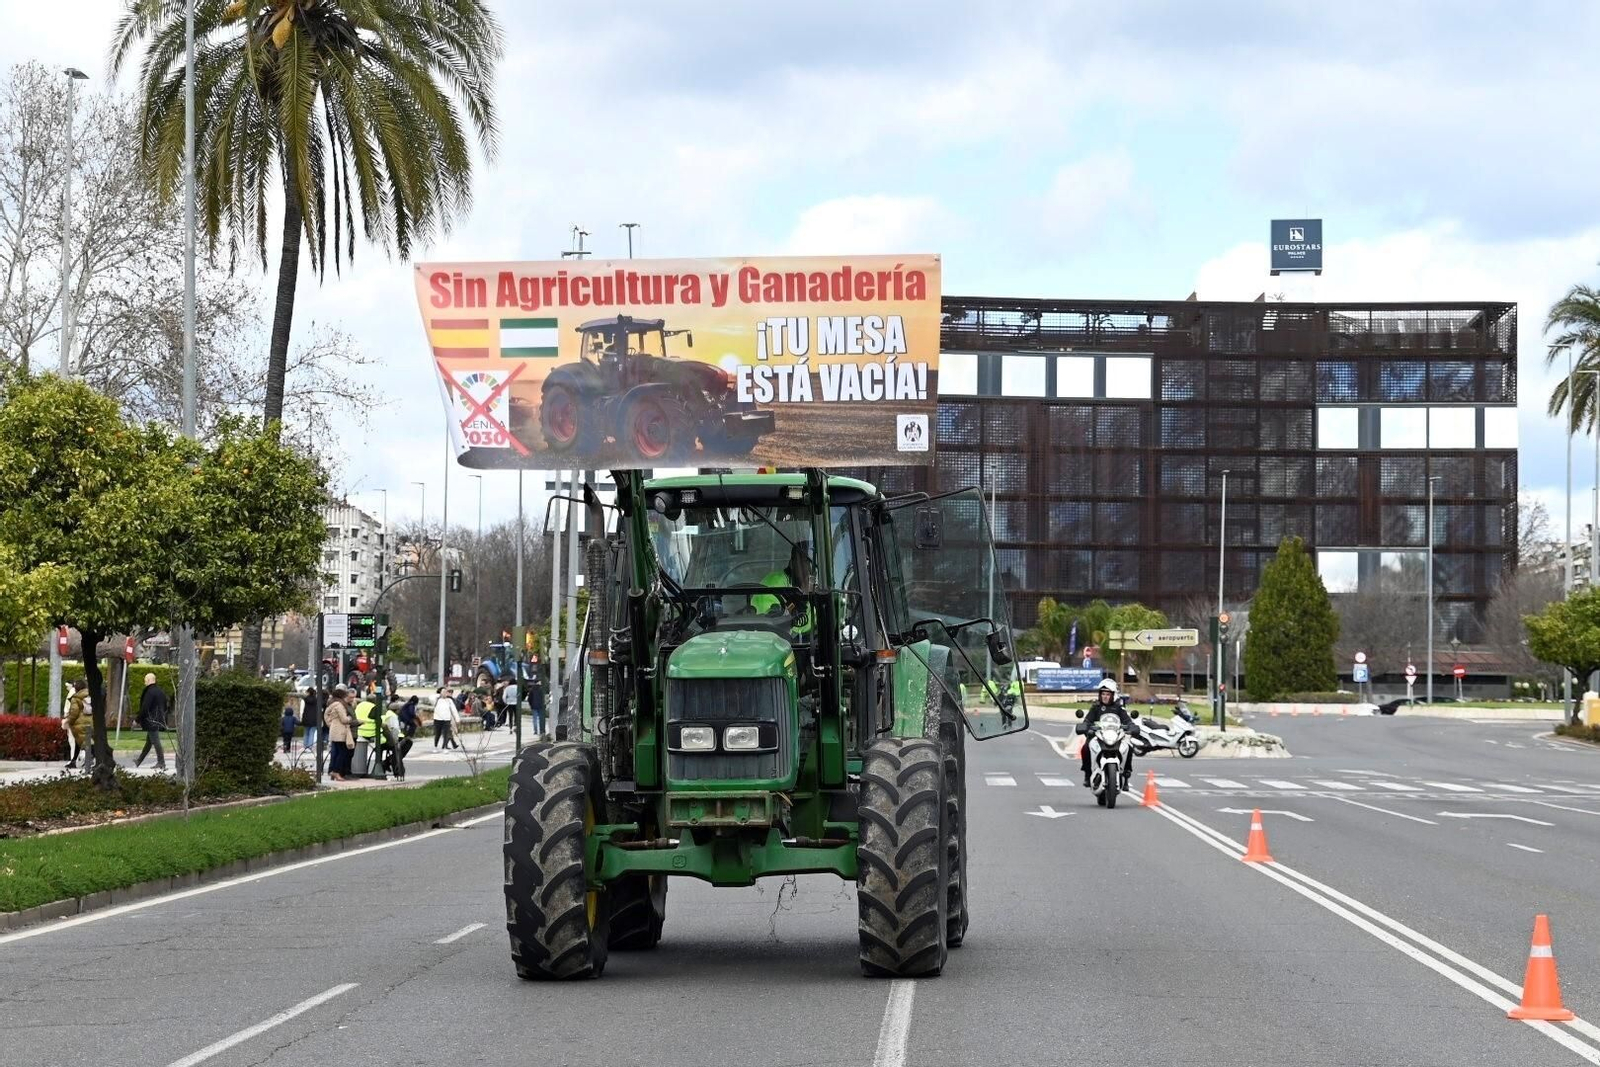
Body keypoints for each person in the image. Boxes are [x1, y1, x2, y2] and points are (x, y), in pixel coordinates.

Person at [1078, 677, 1139, 788]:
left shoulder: (1119, 708)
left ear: (1113, 695)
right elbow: (1087, 721)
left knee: (1129, 747)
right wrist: (1085, 727)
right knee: (1085, 748)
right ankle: (1087, 774)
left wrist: (1132, 727)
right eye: (1103, 694)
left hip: (1116, 737)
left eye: (1107, 694)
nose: (1105, 696)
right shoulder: (1096, 707)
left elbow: (1127, 721)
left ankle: (1126, 774)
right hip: (1098, 737)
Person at [750, 540, 816, 636]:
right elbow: (770, 624)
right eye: (806, 561)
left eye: (813, 563)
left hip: (810, 640)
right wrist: (800, 602)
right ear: (792, 564)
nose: (810, 568)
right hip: (774, 640)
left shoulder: (815, 586)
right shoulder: (774, 583)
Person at [133, 672, 169, 771]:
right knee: (149, 742)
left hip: (151, 720)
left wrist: (137, 719)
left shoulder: (149, 692)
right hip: (159, 719)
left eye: (145, 681)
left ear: (149, 680)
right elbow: (166, 706)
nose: (145, 683)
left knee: (155, 741)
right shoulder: (160, 691)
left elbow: (145, 707)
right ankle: (139, 760)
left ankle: (161, 762)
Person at [324, 686, 356, 781]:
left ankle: (333, 771)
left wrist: (330, 724)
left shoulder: (332, 704)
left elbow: (326, 715)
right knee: (342, 753)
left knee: (336, 752)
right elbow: (344, 719)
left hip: (335, 731)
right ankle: (336, 772)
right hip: (340, 732)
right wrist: (350, 718)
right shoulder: (339, 705)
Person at [64, 681, 90, 770]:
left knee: (78, 742)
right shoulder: (90, 695)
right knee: (88, 741)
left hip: (80, 723)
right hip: (90, 722)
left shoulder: (76, 698)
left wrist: (68, 721)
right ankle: (86, 761)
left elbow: (74, 712)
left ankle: (76, 760)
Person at [300, 686, 323, 753]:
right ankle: (309, 747)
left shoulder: (305, 700)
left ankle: (305, 746)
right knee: (311, 733)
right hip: (315, 719)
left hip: (307, 719)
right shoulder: (317, 700)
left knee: (306, 733)